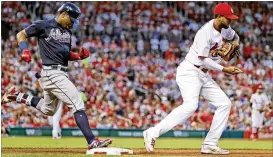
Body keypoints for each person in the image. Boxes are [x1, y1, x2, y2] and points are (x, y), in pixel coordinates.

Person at [1, 2, 112, 150]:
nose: (73, 23)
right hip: (52, 73)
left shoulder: (67, 32)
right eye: (72, 19)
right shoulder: (44, 25)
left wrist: (78, 57)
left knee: (49, 110)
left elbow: (65, 55)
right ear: (64, 14)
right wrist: (24, 49)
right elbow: (21, 34)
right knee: (77, 102)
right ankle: (92, 142)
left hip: (59, 72)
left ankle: (17, 96)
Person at [143, 3, 243, 155]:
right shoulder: (205, 33)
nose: (230, 21)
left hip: (203, 75)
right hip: (190, 71)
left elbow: (235, 37)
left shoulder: (225, 29)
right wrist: (224, 69)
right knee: (190, 106)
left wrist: (235, 43)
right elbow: (202, 60)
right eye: (227, 18)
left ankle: (209, 144)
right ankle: (153, 132)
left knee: (224, 104)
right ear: (218, 17)